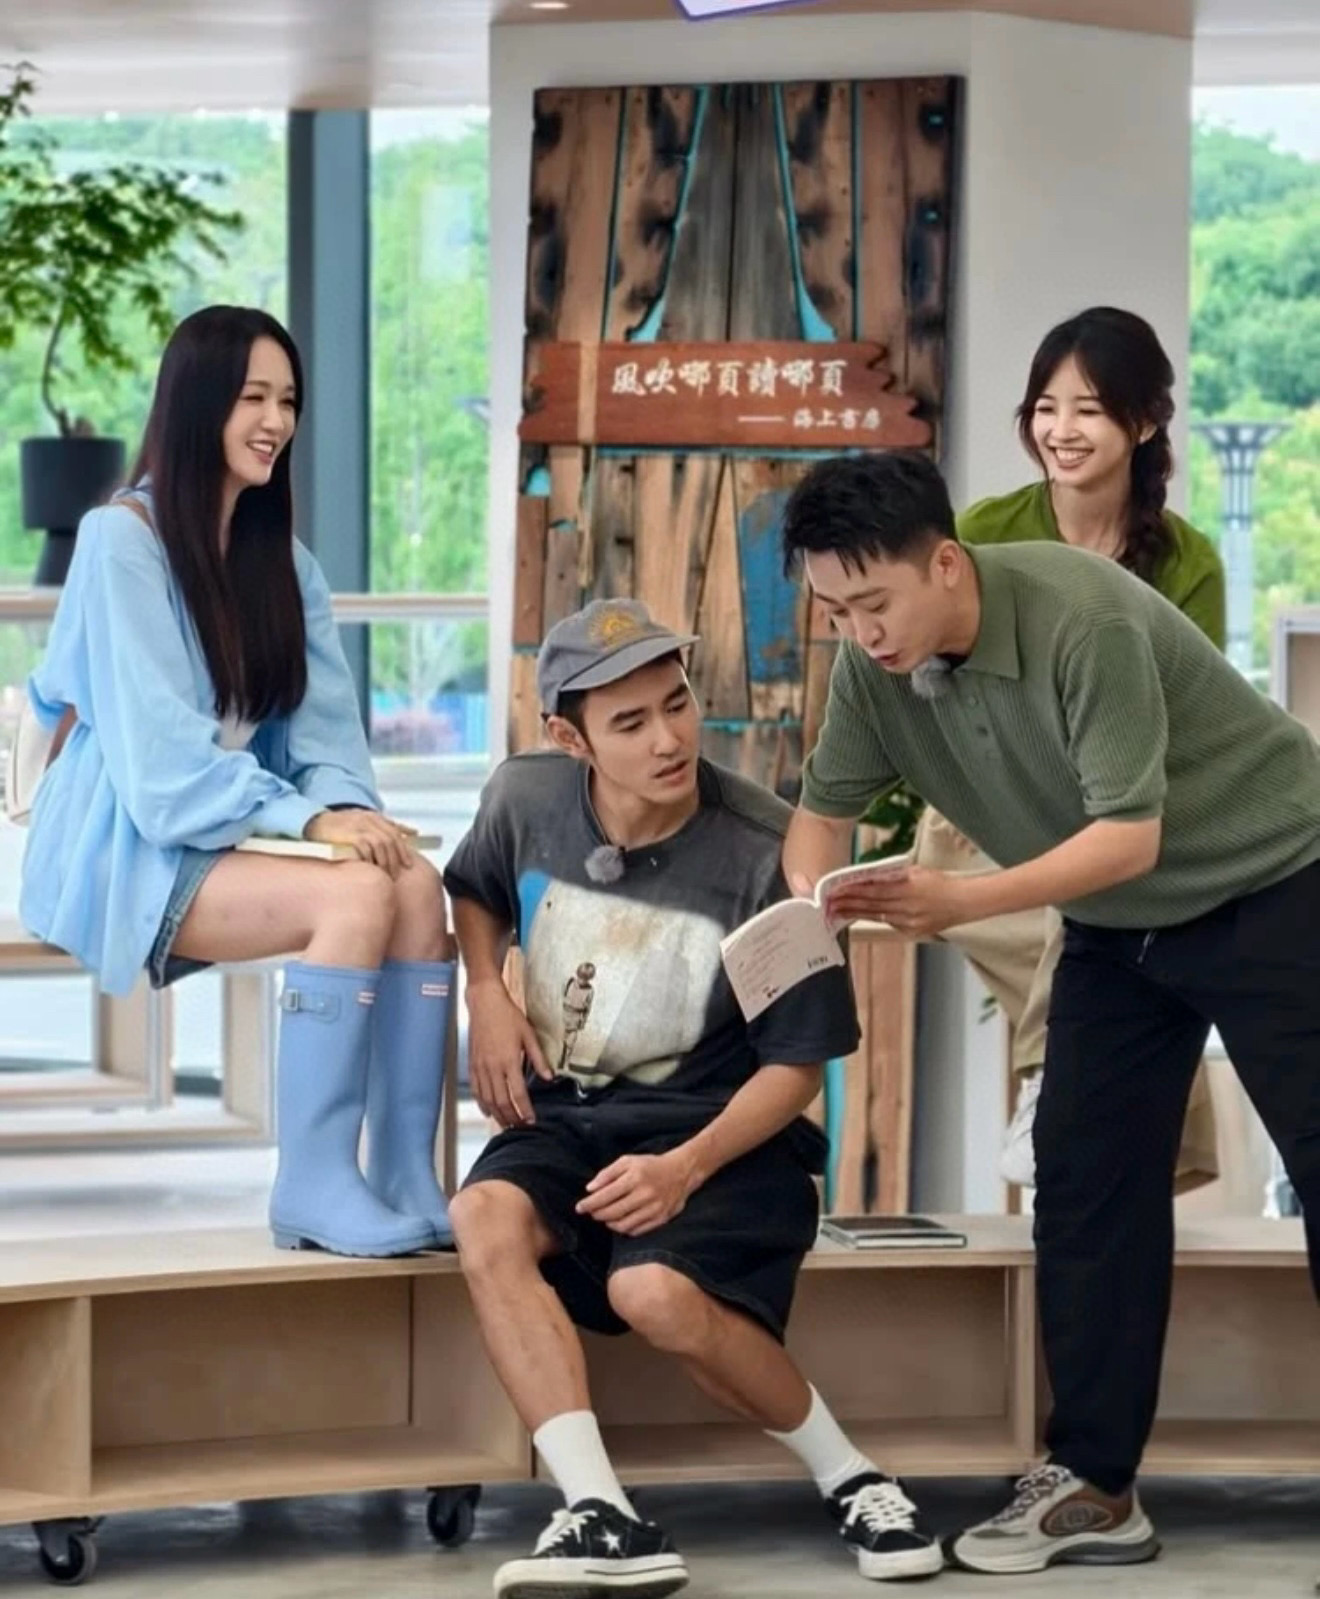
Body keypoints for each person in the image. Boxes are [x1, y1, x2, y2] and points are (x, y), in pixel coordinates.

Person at [780, 448, 1320, 1578]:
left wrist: (959, 900)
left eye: (874, 603)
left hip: (1276, 882)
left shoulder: (1085, 618)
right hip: (1119, 931)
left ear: (945, 563)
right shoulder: (874, 668)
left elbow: (1130, 836)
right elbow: (820, 818)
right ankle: (1095, 1485)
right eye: (835, 612)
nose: (861, 634)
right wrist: (811, 907)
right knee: (1084, 1182)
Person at [443, 598, 945, 1596]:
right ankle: (600, 1512)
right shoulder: (524, 795)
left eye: (677, 705)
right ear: (570, 739)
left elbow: (796, 1067)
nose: (670, 739)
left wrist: (683, 1169)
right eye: (630, 723)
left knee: (651, 1292)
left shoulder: (769, 854)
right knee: (481, 1214)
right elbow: (474, 889)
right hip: (568, 1120)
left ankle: (853, 1476)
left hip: (720, 1136)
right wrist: (485, 993)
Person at [19, 305, 455, 1259]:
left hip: (228, 830)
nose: (276, 420)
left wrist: (346, 811)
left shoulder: (284, 564)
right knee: (353, 900)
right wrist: (311, 825)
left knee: (416, 887)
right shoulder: (119, 540)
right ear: (198, 403)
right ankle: (312, 1181)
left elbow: (327, 739)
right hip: (130, 841)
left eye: (288, 400)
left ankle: (405, 1174)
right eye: (254, 397)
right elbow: (163, 772)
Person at [916, 307, 1225, 1188]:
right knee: (1099, 911)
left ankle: (1055, 1078)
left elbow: (1191, 720)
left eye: (1087, 409)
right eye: (1046, 408)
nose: (1060, 430)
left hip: (1120, 805)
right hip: (994, 794)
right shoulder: (984, 531)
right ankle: (1074, 1080)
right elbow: (939, 672)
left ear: (1146, 420)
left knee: (1114, 890)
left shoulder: (1188, 561)